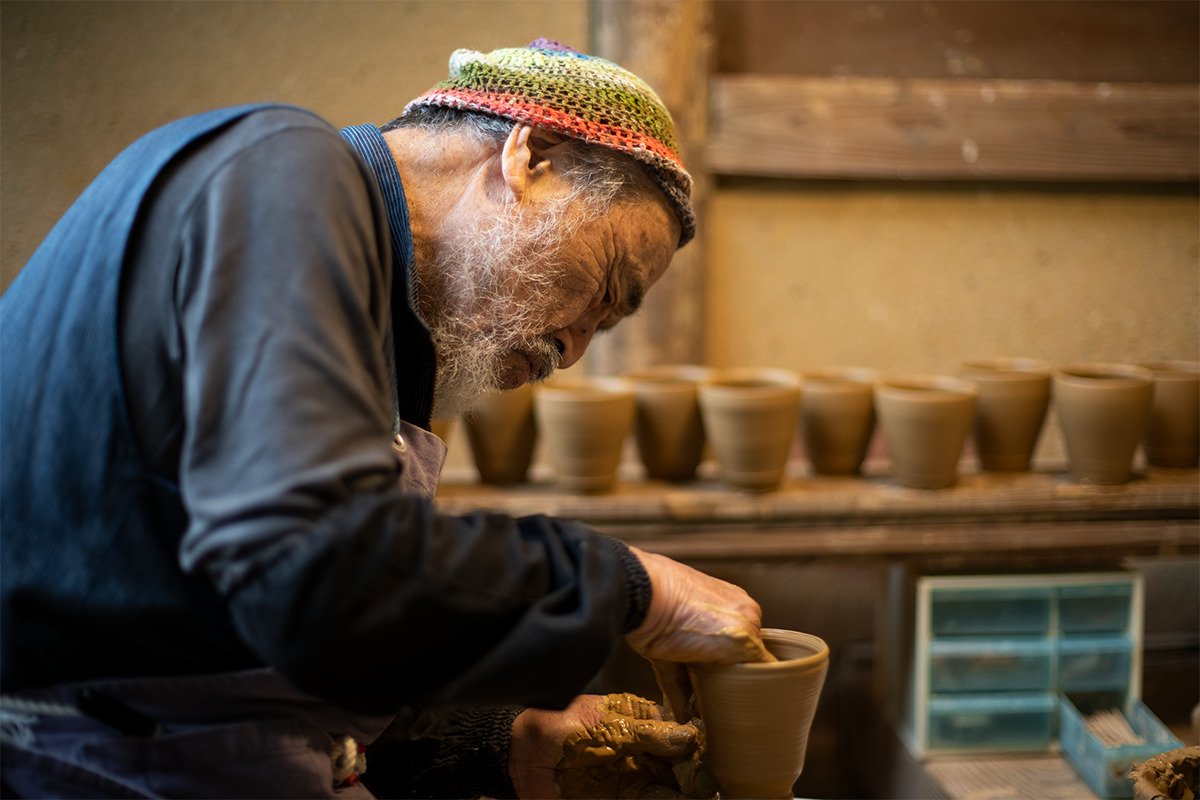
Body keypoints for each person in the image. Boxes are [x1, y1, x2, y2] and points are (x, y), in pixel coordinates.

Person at [0, 38, 769, 798]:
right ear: (533, 157)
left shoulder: (377, 311)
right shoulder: (281, 176)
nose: (570, 353)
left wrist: (502, 742)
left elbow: (296, 643)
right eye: (605, 289)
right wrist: (631, 587)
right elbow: (312, 577)